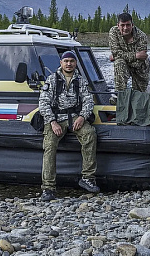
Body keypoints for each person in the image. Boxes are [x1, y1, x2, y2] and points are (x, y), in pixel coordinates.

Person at [38, 51, 100, 201]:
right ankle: (48, 187)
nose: (69, 64)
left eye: (72, 61)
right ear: (61, 63)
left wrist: (82, 117)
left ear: (75, 63)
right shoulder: (52, 80)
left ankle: (88, 178)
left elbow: (88, 101)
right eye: (66, 61)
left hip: (75, 117)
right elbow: (43, 102)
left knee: (90, 135)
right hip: (56, 118)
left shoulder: (81, 80)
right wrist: (52, 122)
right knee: (50, 145)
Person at [108, 12, 150, 95]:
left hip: (141, 68)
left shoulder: (142, 36)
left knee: (139, 96)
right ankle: (120, 96)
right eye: (122, 25)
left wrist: (118, 56)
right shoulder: (113, 32)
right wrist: (136, 55)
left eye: (128, 25)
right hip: (123, 66)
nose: (125, 28)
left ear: (132, 25)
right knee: (119, 63)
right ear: (118, 25)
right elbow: (116, 53)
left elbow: (139, 61)